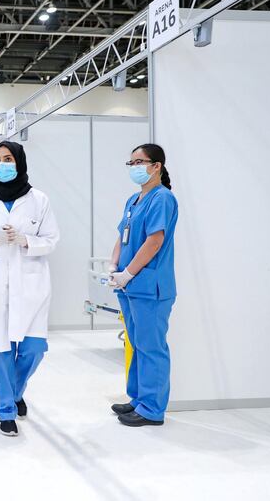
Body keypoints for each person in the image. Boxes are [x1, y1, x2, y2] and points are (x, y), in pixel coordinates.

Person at [0, 141, 59, 437]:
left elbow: (52, 239)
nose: (2, 164)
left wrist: (25, 240)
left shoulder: (39, 200)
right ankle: (6, 410)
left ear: (19, 162)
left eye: (7, 159)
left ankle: (16, 391)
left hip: (31, 287)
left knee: (34, 349)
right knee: (1, 351)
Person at [107, 144, 178, 427]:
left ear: (156, 166)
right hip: (130, 286)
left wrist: (129, 273)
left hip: (150, 287)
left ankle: (152, 408)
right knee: (136, 344)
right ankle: (138, 398)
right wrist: (114, 267)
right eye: (131, 162)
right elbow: (120, 236)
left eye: (140, 161)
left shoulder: (162, 198)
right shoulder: (133, 200)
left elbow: (155, 241)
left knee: (151, 347)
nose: (135, 166)